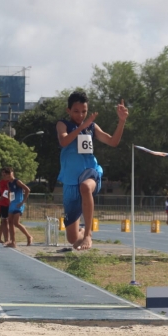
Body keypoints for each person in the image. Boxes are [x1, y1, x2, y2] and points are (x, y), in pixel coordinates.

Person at [56, 91, 128, 250]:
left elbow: (113, 141)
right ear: (68, 110)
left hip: (90, 172)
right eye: (76, 111)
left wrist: (121, 121)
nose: (80, 115)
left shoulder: (92, 127)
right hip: (70, 181)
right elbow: (64, 141)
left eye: (84, 111)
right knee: (73, 239)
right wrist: (82, 126)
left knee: (85, 187)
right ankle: (82, 233)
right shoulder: (63, 124)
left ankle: (88, 234)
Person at [3, 167, 34, 247]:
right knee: (10, 222)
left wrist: (23, 202)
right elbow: (10, 192)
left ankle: (29, 236)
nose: (4, 177)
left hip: (18, 204)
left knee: (16, 223)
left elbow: (27, 190)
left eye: (5, 175)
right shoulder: (8, 183)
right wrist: (9, 200)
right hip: (12, 204)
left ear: (10, 174)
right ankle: (13, 242)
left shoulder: (17, 182)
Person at [0, 168, 11, 244]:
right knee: (4, 221)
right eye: (2, 173)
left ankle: (7, 239)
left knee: (8, 222)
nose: (4, 174)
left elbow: (10, 191)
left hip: (10, 204)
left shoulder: (10, 182)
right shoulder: (1, 182)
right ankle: (5, 239)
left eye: (5, 173)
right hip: (2, 204)